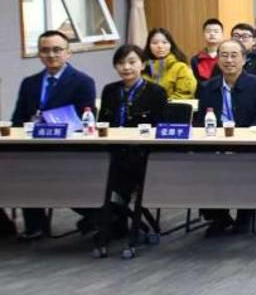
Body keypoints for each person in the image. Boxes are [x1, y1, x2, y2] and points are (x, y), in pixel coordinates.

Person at [10, 31, 98, 239]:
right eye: (45, 50)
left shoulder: (83, 81)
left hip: (67, 148)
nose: (51, 55)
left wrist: (49, 122)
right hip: (33, 147)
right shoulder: (29, 83)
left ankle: (102, 216)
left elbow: (85, 119)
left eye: (57, 50)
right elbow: (17, 119)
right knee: (18, 167)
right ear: (39, 54)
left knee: (58, 176)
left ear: (68, 53)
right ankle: (35, 226)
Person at [195, 39, 256, 236]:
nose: (229, 60)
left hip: (248, 144)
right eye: (224, 55)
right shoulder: (207, 87)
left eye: (234, 55)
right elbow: (201, 121)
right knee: (199, 162)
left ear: (244, 59)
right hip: (215, 143)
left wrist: (238, 140)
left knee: (244, 162)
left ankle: (245, 213)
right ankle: (219, 216)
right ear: (218, 60)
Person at [96, 44, 169, 243]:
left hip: (140, 154)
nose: (126, 67)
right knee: (85, 174)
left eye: (132, 62)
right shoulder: (110, 90)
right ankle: (111, 218)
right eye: (120, 63)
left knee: (116, 177)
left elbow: (160, 129)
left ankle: (112, 219)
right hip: (112, 151)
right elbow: (102, 124)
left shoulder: (156, 92)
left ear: (142, 64)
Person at [143, 27, 197, 100]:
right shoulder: (142, 67)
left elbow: (184, 95)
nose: (160, 46)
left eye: (164, 42)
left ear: (171, 45)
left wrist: (162, 103)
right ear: (148, 46)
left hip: (172, 106)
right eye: (154, 43)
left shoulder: (181, 67)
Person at [190, 18, 225, 84]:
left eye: (216, 31)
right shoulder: (195, 59)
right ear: (203, 34)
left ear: (222, 35)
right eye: (208, 31)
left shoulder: (227, 57)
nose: (212, 34)